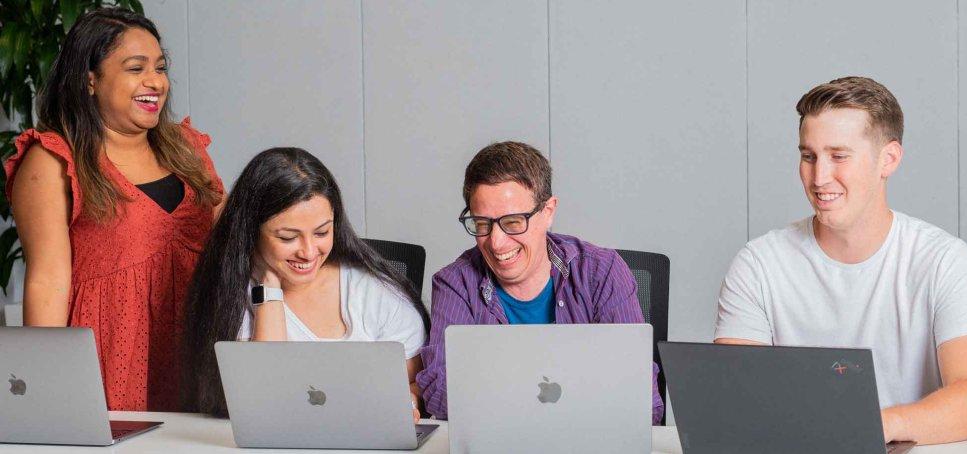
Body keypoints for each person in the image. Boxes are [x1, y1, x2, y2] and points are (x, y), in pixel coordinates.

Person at [715, 76, 967, 444]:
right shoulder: (758, 265)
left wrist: (869, 427)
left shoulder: (946, 262)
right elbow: (731, 399)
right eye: (808, 156)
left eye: (839, 156)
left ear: (888, 159)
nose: (819, 177)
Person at [4, 8, 224, 411]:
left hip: (197, 357)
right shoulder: (53, 160)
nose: (155, 81)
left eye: (160, 67)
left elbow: (233, 244)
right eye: (135, 68)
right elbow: (48, 282)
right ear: (90, 80)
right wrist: (45, 395)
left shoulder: (188, 149)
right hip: (110, 362)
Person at [416, 141, 664, 424]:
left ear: (548, 212)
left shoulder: (601, 272)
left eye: (513, 222)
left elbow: (642, 400)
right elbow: (438, 390)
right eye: (481, 223)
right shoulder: (454, 283)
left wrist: (500, 400)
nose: (496, 242)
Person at [184, 147, 430, 419]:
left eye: (322, 232)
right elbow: (262, 403)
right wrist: (269, 286)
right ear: (251, 232)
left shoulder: (377, 293)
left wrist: (411, 398)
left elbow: (413, 382)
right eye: (288, 237)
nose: (309, 252)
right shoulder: (231, 295)